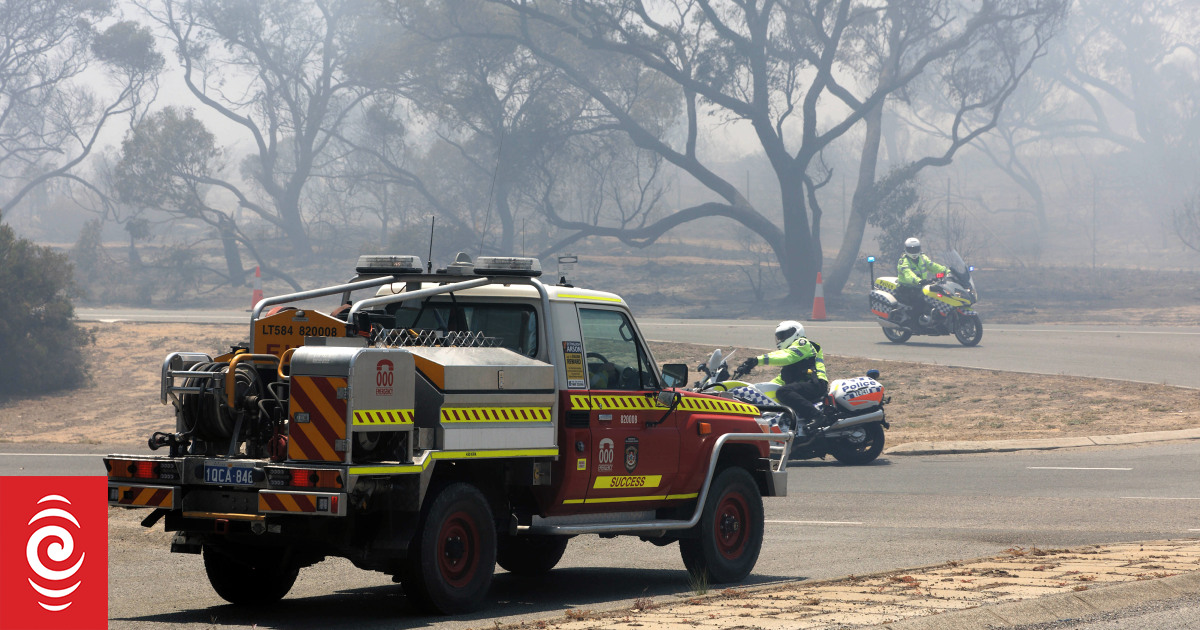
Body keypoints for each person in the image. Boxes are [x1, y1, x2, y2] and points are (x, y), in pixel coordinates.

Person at [738, 320, 829, 428]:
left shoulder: (803, 344)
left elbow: (786, 357)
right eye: (779, 337)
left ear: (796, 333)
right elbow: (780, 380)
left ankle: (816, 416)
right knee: (777, 392)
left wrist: (757, 360)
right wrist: (757, 390)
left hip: (816, 384)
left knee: (783, 391)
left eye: (783, 335)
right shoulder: (793, 360)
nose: (781, 339)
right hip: (804, 385)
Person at [896, 237, 949, 325]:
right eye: (911, 249)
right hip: (907, 288)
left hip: (921, 286)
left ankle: (936, 319)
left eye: (915, 249)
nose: (913, 252)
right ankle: (914, 324)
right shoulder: (903, 261)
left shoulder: (922, 258)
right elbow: (908, 274)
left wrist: (946, 271)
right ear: (906, 249)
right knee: (920, 301)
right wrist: (919, 281)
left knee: (937, 296)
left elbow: (933, 266)